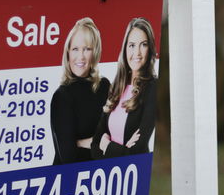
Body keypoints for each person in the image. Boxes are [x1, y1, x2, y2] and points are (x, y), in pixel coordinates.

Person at [84, 17, 157, 159]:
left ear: (150, 48)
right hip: (108, 174)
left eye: (143, 45)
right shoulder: (117, 87)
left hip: (134, 174)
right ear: (125, 49)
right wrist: (120, 149)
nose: (137, 53)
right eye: (131, 45)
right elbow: (95, 144)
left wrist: (107, 146)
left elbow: (136, 151)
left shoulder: (151, 88)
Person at [50, 17, 110, 164]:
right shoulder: (62, 96)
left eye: (87, 49)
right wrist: (98, 143)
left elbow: (116, 136)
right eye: (75, 49)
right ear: (68, 53)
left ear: (94, 52)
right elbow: (68, 156)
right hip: (68, 179)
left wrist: (80, 142)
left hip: (100, 175)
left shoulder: (104, 86)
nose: (80, 57)